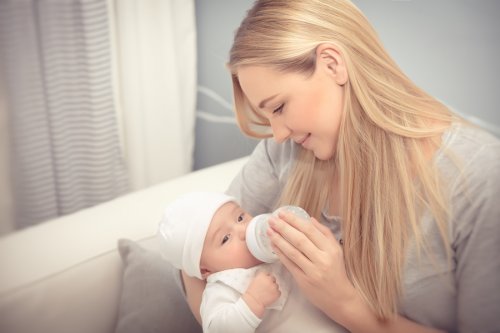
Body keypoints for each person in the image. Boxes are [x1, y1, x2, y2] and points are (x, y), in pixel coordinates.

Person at [181, 1, 500, 332]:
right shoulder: (286, 154)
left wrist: (345, 303)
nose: (277, 135)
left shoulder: (478, 178)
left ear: (333, 64)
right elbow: (195, 260)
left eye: (278, 107)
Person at [157, 191, 348, 333]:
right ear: (206, 270)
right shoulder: (224, 288)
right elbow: (217, 329)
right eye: (225, 238)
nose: (242, 230)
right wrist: (252, 301)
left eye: (240, 217)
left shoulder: (276, 250)